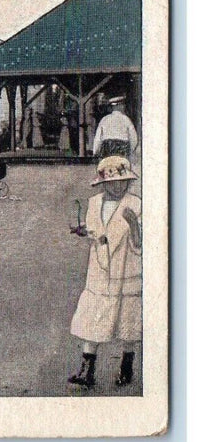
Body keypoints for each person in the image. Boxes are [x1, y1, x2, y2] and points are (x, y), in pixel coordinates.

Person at [67, 156, 142, 389]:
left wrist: (134, 225)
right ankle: (87, 369)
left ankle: (126, 364)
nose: (118, 186)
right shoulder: (94, 202)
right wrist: (84, 232)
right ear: (102, 183)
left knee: (126, 317)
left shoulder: (136, 204)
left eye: (123, 182)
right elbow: (97, 233)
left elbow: (140, 244)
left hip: (125, 266)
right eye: (112, 182)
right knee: (94, 315)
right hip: (100, 267)